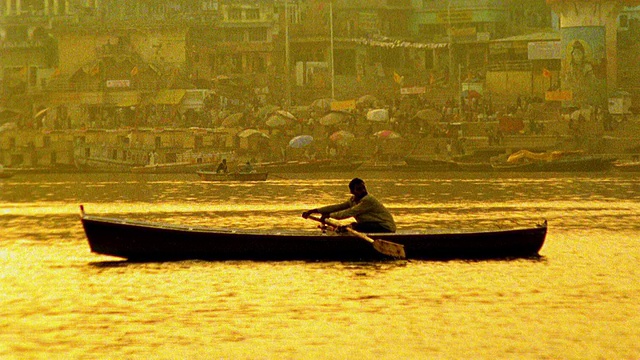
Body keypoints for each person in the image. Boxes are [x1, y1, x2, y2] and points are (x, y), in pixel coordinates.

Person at [302, 178, 396, 233]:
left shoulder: (368, 200)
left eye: (363, 188)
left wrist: (329, 215)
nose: (363, 191)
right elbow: (337, 207)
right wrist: (313, 211)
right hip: (371, 225)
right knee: (355, 226)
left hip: (385, 227)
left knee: (355, 226)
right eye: (359, 189)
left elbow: (348, 213)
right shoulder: (353, 200)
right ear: (352, 192)